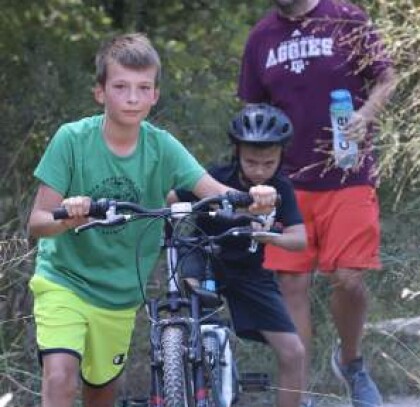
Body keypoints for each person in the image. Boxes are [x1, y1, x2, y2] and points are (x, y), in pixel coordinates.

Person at [27, 33, 278, 407]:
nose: (132, 97)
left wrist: (253, 200)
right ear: (100, 92)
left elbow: (213, 191)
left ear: (155, 95)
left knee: (101, 393)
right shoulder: (71, 141)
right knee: (60, 378)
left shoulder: (161, 146)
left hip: (120, 296)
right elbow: (37, 223)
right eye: (121, 86)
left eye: (143, 87)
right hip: (65, 281)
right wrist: (69, 216)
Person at [237, 1, 395, 407]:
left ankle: (351, 362)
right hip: (287, 180)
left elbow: (386, 77)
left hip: (348, 173)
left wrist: (365, 114)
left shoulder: (346, 15)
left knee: (349, 278)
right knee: (292, 284)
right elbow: (253, 109)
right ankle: (299, 390)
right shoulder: (261, 36)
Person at [169, 103, 307, 407]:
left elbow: (299, 238)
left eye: (268, 162)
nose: (259, 170)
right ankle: (183, 385)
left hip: (250, 274)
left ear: (281, 156)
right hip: (204, 261)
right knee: (192, 329)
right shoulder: (215, 176)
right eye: (251, 161)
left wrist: (268, 235)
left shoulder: (281, 188)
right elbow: (171, 198)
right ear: (237, 152)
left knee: (293, 352)